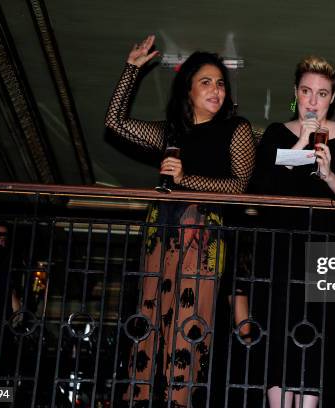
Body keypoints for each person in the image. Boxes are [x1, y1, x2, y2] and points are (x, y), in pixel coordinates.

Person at [105, 35, 255, 407]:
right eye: (206, 82)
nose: (216, 90)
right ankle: (139, 398)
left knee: (190, 323)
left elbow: (238, 187)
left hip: (204, 233)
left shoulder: (236, 129)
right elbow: (116, 124)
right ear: (187, 88)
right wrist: (132, 70)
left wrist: (185, 179)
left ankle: (180, 401)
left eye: (221, 83)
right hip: (162, 228)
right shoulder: (172, 131)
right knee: (148, 316)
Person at [249, 56, 335, 408]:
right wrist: (300, 146)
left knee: (319, 346)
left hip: (328, 255)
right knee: (280, 341)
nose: (313, 101)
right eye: (306, 91)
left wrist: (329, 174)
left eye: (322, 93)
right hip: (283, 255)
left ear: (333, 98)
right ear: (295, 94)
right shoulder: (277, 134)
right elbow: (258, 191)